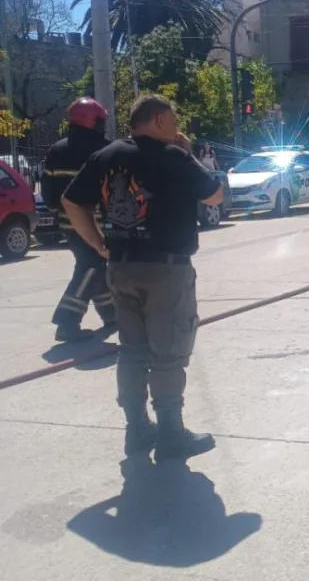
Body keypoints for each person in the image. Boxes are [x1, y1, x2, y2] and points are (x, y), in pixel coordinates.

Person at [62, 94, 225, 461]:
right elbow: (214, 195)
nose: (178, 126)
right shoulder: (174, 156)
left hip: (121, 268)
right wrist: (188, 153)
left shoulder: (108, 155)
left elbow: (72, 201)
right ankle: (171, 434)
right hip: (166, 270)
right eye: (174, 119)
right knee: (167, 352)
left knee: (133, 350)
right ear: (159, 119)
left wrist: (98, 244)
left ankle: (137, 429)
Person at [41, 97, 114, 342]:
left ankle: (111, 313)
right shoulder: (103, 150)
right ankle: (67, 321)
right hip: (96, 223)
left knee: (92, 264)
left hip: (67, 223)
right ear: (92, 121)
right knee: (92, 265)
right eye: (100, 121)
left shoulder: (56, 150)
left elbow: (49, 196)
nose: (103, 125)